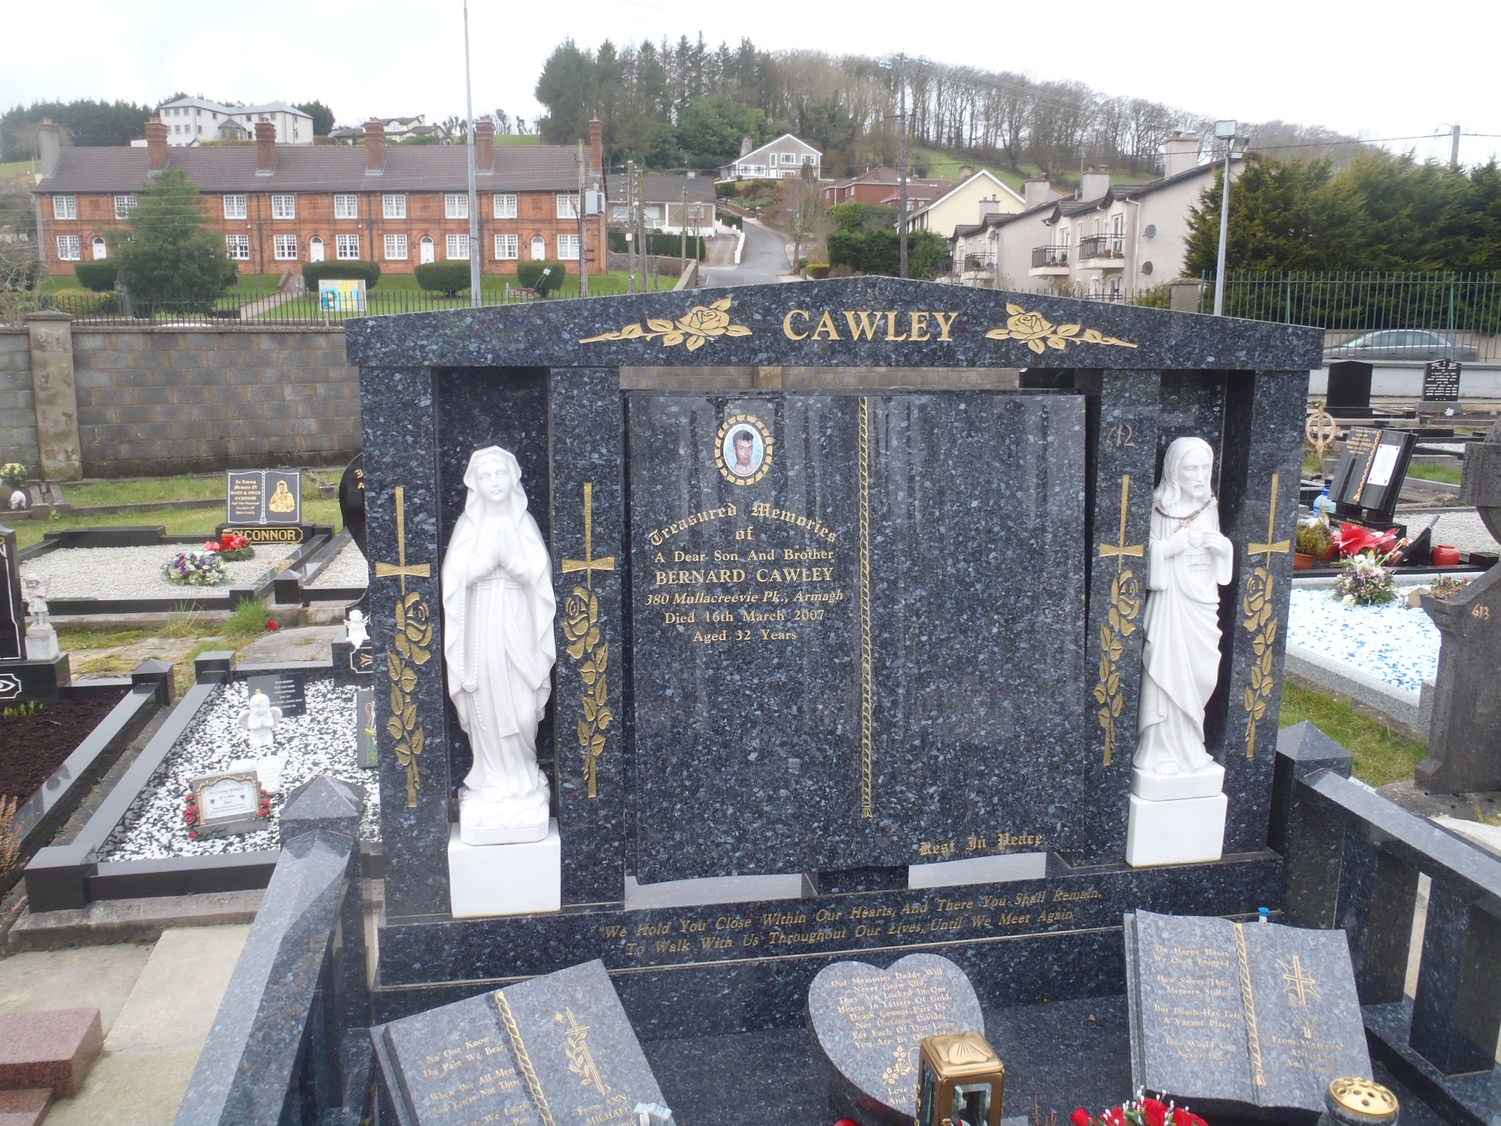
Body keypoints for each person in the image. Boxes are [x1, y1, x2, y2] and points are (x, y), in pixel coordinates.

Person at [441, 446, 556, 839]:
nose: (494, 483)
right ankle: (493, 780)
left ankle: (523, 774)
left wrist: (515, 567)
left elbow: (540, 581)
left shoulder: (524, 524)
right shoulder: (467, 527)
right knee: (486, 703)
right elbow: (453, 582)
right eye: (485, 476)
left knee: (523, 711)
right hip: (481, 628)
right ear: (475, 483)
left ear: (513, 479)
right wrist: (479, 569)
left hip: (518, 623)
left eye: (500, 474)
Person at [1134, 436, 1234, 777]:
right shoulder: (1160, 508)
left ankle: (1190, 746)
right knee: (1167, 669)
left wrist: (1222, 548)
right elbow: (1146, 554)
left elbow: (1220, 565)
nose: (1200, 475)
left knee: (1202, 671)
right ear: (1175, 471)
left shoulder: (1208, 507)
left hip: (1202, 601)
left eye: (1205, 467)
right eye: (1191, 468)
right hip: (1171, 604)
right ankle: (1159, 748)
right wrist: (1168, 548)